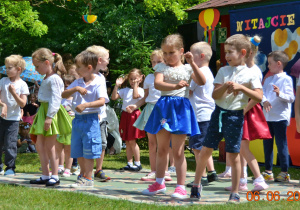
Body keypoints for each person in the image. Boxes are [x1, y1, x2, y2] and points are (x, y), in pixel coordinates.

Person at [189, 34, 263, 202]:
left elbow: (259, 96)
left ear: (243, 52)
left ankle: (235, 191)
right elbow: (215, 95)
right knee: (206, 150)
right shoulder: (223, 71)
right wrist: (225, 88)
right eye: (225, 52)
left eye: (230, 52)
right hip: (218, 114)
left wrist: (242, 88)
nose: (227, 56)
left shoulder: (250, 73)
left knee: (233, 154)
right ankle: (196, 183)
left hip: (236, 116)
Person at [142, 34, 206, 199]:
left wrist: (192, 62)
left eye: (171, 52)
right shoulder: (161, 68)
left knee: (178, 151)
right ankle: (159, 183)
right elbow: (158, 84)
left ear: (181, 51)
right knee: (162, 148)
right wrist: (175, 85)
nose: (168, 56)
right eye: (165, 53)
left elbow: (202, 81)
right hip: (164, 108)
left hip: (180, 110)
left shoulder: (187, 69)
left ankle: (180, 187)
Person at [223, 35, 270, 192]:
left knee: (243, 147)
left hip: (247, 110)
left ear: (246, 53)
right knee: (240, 147)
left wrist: (243, 110)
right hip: (242, 110)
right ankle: (242, 180)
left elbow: (257, 96)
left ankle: (259, 179)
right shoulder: (243, 70)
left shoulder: (253, 71)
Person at [62, 50, 108, 188]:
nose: (76, 69)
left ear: (88, 68)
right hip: (78, 120)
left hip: (90, 120)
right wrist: (75, 88)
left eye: (79, 67)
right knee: (78, 149)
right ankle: (83, 175)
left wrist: (86, 105)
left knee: (89, 149)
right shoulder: (78, 82)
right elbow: (64, 94)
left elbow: (102, 101)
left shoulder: (98, 82)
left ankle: (88, 177)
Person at [29, 49, 72, 187]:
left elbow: (56, 99)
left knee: (50, 147)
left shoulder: (55, 79)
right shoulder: (46, 78)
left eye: (37, 66)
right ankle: (45, 175)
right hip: (44, 111)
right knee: (40, 146)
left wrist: (48, 117)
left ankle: (54, 175)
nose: (36, 69)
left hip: (50, 113)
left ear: (47, 62)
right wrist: (41, 114)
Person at [126, 49, 171, 181]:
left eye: (159, 61)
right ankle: (153, 170)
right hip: (150, 110)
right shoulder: (150, 78)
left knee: (164, 144)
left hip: (163, 109)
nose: (155, 64)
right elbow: (145, 97)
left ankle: (165, 171)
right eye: (153, 61)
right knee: (152, 143)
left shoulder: (168, 76)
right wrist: (135, 106)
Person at [187, 42, 218, 188]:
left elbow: (189, 91)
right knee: (203, 146)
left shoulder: (199, 73)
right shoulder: (208, 71)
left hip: (200, 114)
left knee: (197, 148)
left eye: (191, 55)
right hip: (206, 114)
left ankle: (202, 176)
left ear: (201, 56)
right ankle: (211, 171)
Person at [262, 51, 294, 182]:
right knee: (267, 144)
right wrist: (264, 101)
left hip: (280, 117)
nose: (268, 66)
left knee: (281, 144)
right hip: (267, 117)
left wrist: (279, 93)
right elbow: (262, 93)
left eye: (270, 63)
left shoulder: (286, 79)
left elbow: (291, 98)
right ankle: (268, 171)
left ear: (279, 64)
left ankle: (284, 172)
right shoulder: (268, 79)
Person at [111, 68, 146, 171]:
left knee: (132, 140)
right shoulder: (125, 90)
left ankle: (137, 163)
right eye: (131, 79)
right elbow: (113, 97)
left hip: (134, 115)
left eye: (135, 79)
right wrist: (117, 86)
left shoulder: (140, 90)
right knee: (127, 140)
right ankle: (129, 163)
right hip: (125, 115)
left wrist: (136, 84)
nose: (132, 81)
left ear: (140, 78)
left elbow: (136, 96)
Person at [0, 55, 29, 176]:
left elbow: (22, 104)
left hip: (13, 119)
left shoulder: (22, 85)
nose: (6, 70)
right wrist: (3, 105)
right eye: (6, 67)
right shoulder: (2, 81)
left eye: (9, 67)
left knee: (10, 143)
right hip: (1, 117)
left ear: (18, 69)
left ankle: (10, 167)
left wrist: (13, 93)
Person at [86, 45, 111, 182]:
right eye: (107, 59)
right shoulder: (87, 77)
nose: (109, 61)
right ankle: (85, 171)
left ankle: (99, 169)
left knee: (102, 143)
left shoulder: (101, 77)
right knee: (88, 143)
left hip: (101, 116)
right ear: (100, 60)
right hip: (90, 116)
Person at [56, 74, 76, 177]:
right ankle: (60, 166)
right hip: (60, 123)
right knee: (59, 146)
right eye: (64, 85)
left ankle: (68, 168)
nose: (66, 87)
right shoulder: (59, 97)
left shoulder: (75, 98)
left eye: (69, 85)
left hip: (71, 125)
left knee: (69, 147)